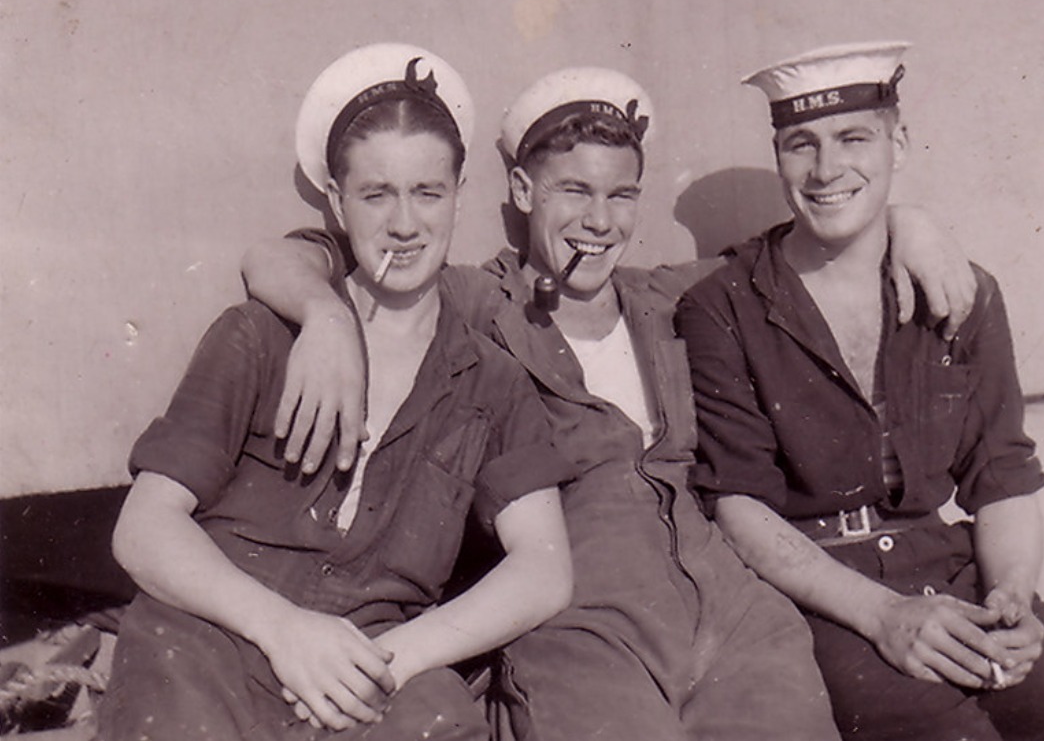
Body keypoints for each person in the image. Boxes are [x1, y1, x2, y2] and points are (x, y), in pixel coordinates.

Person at [242, 64, 978, 740]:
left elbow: (811, 240)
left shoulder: (672, 297)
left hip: (736, 610)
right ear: (526, 193)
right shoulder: (471, 299)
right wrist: (326, 315)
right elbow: (286, 256)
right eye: (575, 191)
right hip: (582, 621)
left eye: (620, 194)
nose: (600, 221)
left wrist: (910, 223)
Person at [97, 44, 575, 741]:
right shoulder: (260, 337)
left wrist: (399, 655)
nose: (405, 225)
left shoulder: (492, 382)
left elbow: (545, 568)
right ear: (335, 200)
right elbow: (142, 529)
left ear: (460, 193)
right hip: (216, 638)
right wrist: (284, 630)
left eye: (428, 193)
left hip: (372, 665)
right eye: (376, 194)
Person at [675, 41, 1044, 741]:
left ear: (899, 141)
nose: (827, 169)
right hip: (824, 599)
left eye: (853, 138)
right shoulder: (725, 305)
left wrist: (1011, 596)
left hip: (953, 575)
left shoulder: (961, 290)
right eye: (800, 144)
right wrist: (884, 617)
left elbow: (1003, 478)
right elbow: (739, 507)